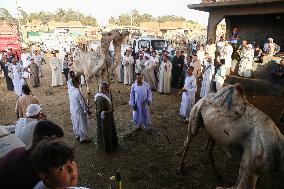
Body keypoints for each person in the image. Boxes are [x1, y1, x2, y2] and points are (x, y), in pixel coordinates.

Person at [0, 120, 64, 189]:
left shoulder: (17, 151)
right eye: (56, 145)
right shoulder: (38, 173)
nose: (59, 150)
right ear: (45, 141)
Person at [94, 81, 118, 152]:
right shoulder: (100, 98)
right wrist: (110, 111)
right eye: (107, 88)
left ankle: (112, 144)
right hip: (104, 121)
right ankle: (107, 147)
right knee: (106, 133)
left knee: (110, 131)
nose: (108, 89)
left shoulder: (105, 95)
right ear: (102, 88)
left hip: (108, 118)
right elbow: (100, 112)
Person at [67, 75, 91, 143]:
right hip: (79, 110)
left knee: (75, 122)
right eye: (79, 81)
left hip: (73, 109)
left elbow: (69, 82)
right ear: (77, 82)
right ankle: (82, 138)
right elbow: (83, 103)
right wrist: (87, 110)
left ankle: (77, 135)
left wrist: (72, 77)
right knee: (81, 123)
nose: (80, 82)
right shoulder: (77, 92)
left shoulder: (70, 89)